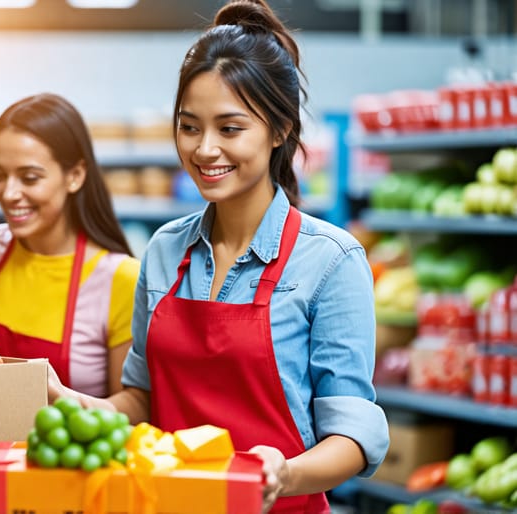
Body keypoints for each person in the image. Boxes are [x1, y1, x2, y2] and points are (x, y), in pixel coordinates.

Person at [46, 2, 389, 512]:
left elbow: (353, 436)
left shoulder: (330, 261)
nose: (205, 150)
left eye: (230, 129)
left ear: (279, 130)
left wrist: (283, 473)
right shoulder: (165, 249)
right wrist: (64, 397)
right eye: (189, 127)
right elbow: (142, 399)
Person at [0, 93, 140, 398]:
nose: (9, 193)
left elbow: (133, 408)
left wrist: (63, 398)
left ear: (75, 176)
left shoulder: (122, 278)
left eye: (29, 177)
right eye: (0, 174)